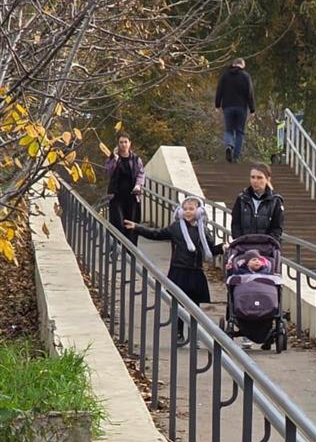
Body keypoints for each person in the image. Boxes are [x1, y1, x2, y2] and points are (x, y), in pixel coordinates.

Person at [124, 197, 221, 345]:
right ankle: (178, 333)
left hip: (195, 272)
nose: (188, 212)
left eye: (192, 209)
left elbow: (210, 250)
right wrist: (137, 227)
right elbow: (156, 233)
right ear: (180, 211)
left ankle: (195, 336)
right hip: (179, 271)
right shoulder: (176, 227)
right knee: (178, 305)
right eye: (185, 209)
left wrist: (222, 248)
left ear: (199, 211)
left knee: (195, 308)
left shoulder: (203, 230)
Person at [104, 134, 144, 245]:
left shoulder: (136, 159)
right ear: (118, 144)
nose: (123, 145)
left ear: (130, 143)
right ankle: (115, 248)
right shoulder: (112, 158)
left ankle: (130, 252)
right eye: (121, 142)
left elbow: (141, 174)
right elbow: (108, 172)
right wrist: (115, 160)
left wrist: (138, 185)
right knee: (118, 223)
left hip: (132, 196)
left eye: (125, 142)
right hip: (116, 196)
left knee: (131, 224)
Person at [215, 57, 256, 164]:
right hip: (241, 108)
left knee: (229, 130)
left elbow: (219, 90)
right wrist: (252, 110)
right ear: (243, 65)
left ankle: (229, 145)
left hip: (228, 107)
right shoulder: (246, 76)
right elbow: (250, 93)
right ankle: (236, 157)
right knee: (239, 132)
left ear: (233, 64)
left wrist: (217, 105)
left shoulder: (225, 76)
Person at [230, 164, 284, 241]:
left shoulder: (275, 201)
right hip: (244, 247)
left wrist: (266, 243)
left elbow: (277, 228)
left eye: (259, 178)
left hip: (266, 248)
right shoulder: (242, 199)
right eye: (252, 177)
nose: (255, 181)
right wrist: (241, 241)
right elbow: (235, 225)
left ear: (267, 179)